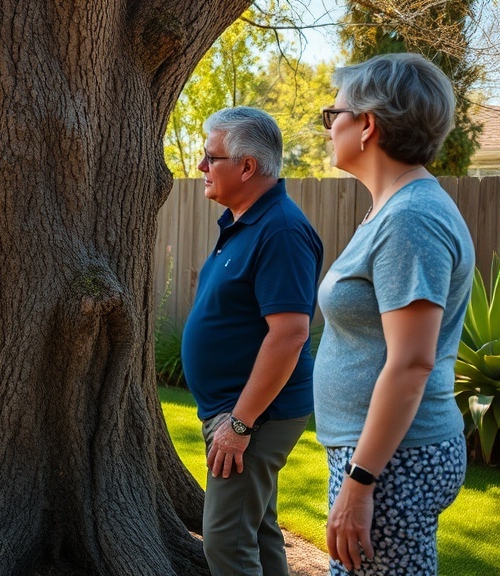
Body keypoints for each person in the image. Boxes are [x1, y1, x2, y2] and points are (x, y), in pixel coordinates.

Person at [315, 53, 474, 576]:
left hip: (393, 461)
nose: (328, 127)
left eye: (331, 114)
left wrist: (361, 482)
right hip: (381, 454)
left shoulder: (411, 220)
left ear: (367, 125)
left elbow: (411, 363)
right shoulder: (391, 209)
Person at [180, 106, 324, 575]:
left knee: (225, 542)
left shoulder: (280, 229)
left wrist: (239, 425)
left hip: (254, 415)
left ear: (247, 166)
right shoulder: (244, 221)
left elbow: (290, 334)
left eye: (211, 156)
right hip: (239, 410)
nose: (201, 166)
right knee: (257, 534)